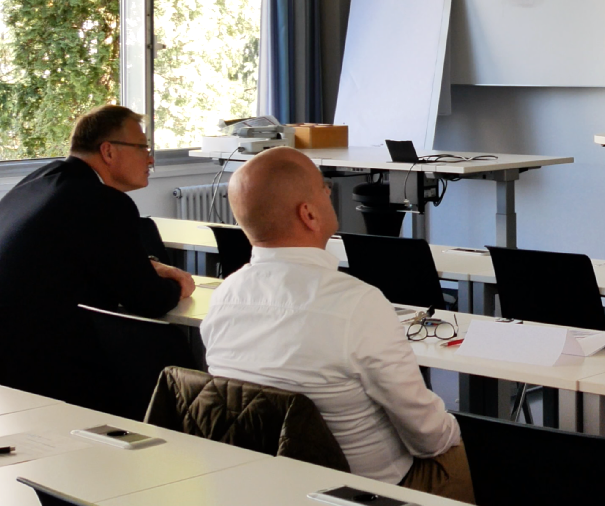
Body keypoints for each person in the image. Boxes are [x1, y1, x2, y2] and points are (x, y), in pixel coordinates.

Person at [200, 148, 473, 503]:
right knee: (456, 449)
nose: (330, 193)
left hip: (266, 486)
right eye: (323, 187)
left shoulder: (223, 297)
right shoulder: (357, 303)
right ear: (308, 213)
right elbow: (428, 436)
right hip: (364, 492)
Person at [0, 104, 195, 405]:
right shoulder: (103, 202)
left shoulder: (41, 180)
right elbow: (149, 300)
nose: (150, 158)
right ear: (108, 151)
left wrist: (147, 266)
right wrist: (179, 280)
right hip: (47, 365)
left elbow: (79, 256)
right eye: (143, 147)